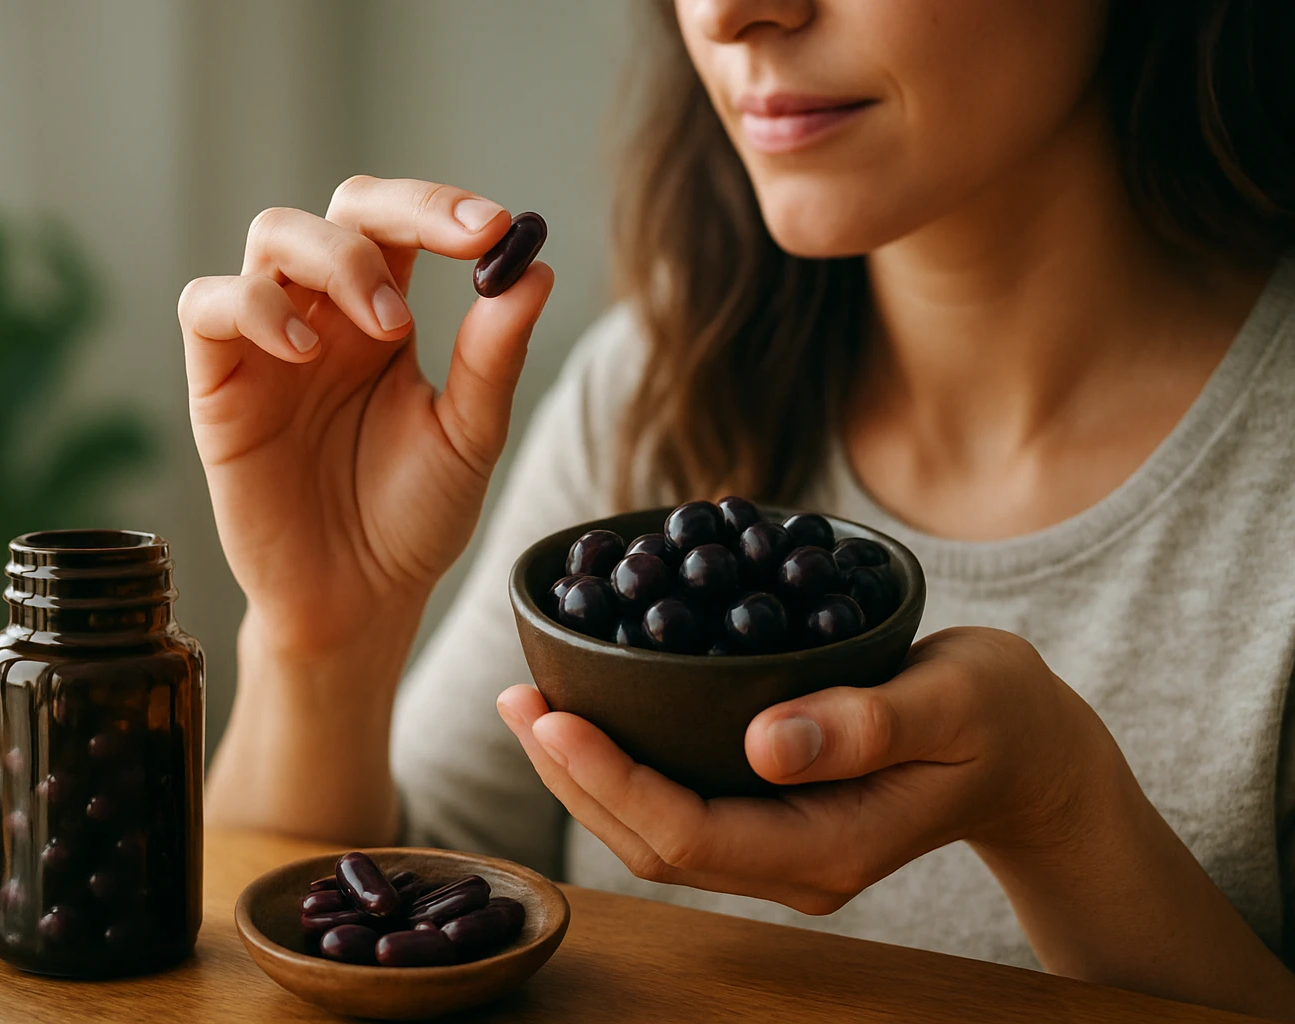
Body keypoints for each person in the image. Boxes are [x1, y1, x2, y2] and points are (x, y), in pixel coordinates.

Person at [176, 0, 1295, 1015]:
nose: (726, 13)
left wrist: (1058, 815)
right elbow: (367, 914)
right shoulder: (651, 391)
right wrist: (324, 639)